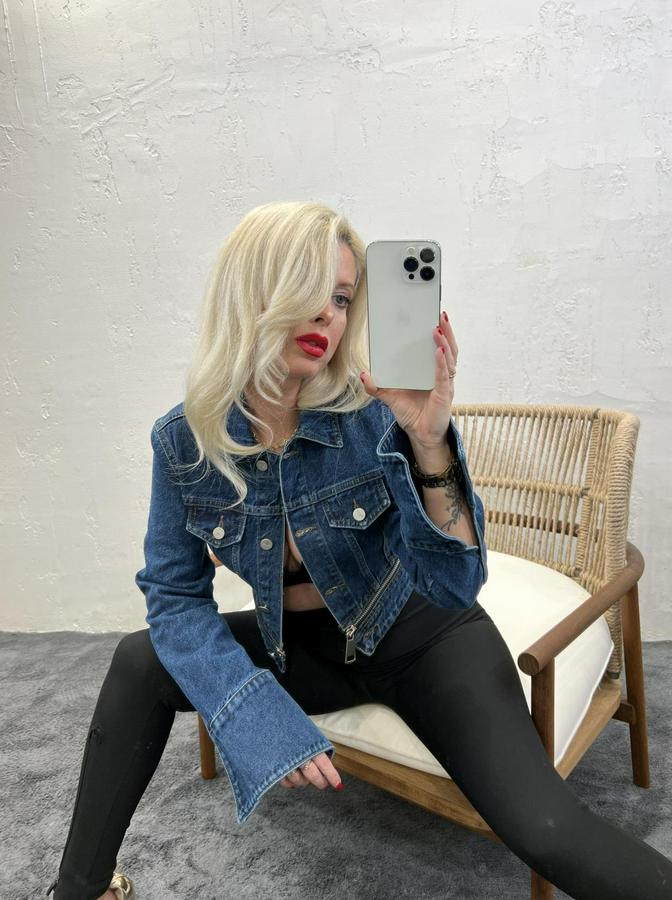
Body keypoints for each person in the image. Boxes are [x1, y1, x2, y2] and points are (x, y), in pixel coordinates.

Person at [46, 201, 672, 900]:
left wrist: (430, 443)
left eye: (342, 298)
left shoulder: (373, 414)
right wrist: (251, 713)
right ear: (252, 291)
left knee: (547, 829)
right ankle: (79, 890)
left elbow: (454, 582)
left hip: (424, 639)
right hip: (301, 649)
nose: (329, 315)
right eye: (308, 289)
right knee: (139, 660)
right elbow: (174, 598)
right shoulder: (185, 440)